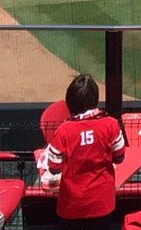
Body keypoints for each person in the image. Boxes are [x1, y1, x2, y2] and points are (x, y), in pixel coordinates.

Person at [36, 74, 125, 230]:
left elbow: (54, 166)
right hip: (102, 203)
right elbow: (119, 157)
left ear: (71, 101)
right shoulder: (111, 125)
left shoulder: (63, 130)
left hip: (71, 206)